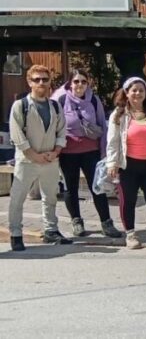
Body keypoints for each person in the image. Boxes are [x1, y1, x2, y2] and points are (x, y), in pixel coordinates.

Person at [7, 65, 70, 251]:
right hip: (27, 160)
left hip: (50, 159)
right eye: (37, 79)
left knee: (50, 197)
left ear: (50, 82)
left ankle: (51, 230)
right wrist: (32, 154)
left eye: (45, 79)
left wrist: (56, 150)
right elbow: (16, 134)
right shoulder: (21, 105)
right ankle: (16, 234)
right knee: (17, 198)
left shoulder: (55, 106)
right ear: (29, 82)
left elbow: (61, 131)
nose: (41, 83)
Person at [54, 69, 121, 239]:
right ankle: (77, 221)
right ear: (70, 83)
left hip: (91, 151)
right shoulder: (60, 99)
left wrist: (104, 151)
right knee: (71, 187)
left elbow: (102, 125)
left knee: (97, 187)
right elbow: (53, 125)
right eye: (76, 81)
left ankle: (106, 222)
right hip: (68, 152)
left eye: (83, 81)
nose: (80, 85)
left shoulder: (93, 99)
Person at [106, 77, 146, 249]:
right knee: (129, 201)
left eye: (141, 90)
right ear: (126, 93)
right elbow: (112, 141)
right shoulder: (119, 115)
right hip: (129, 166)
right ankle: (131, 235)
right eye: (133, 90)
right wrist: (112, 163)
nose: (137, 93)